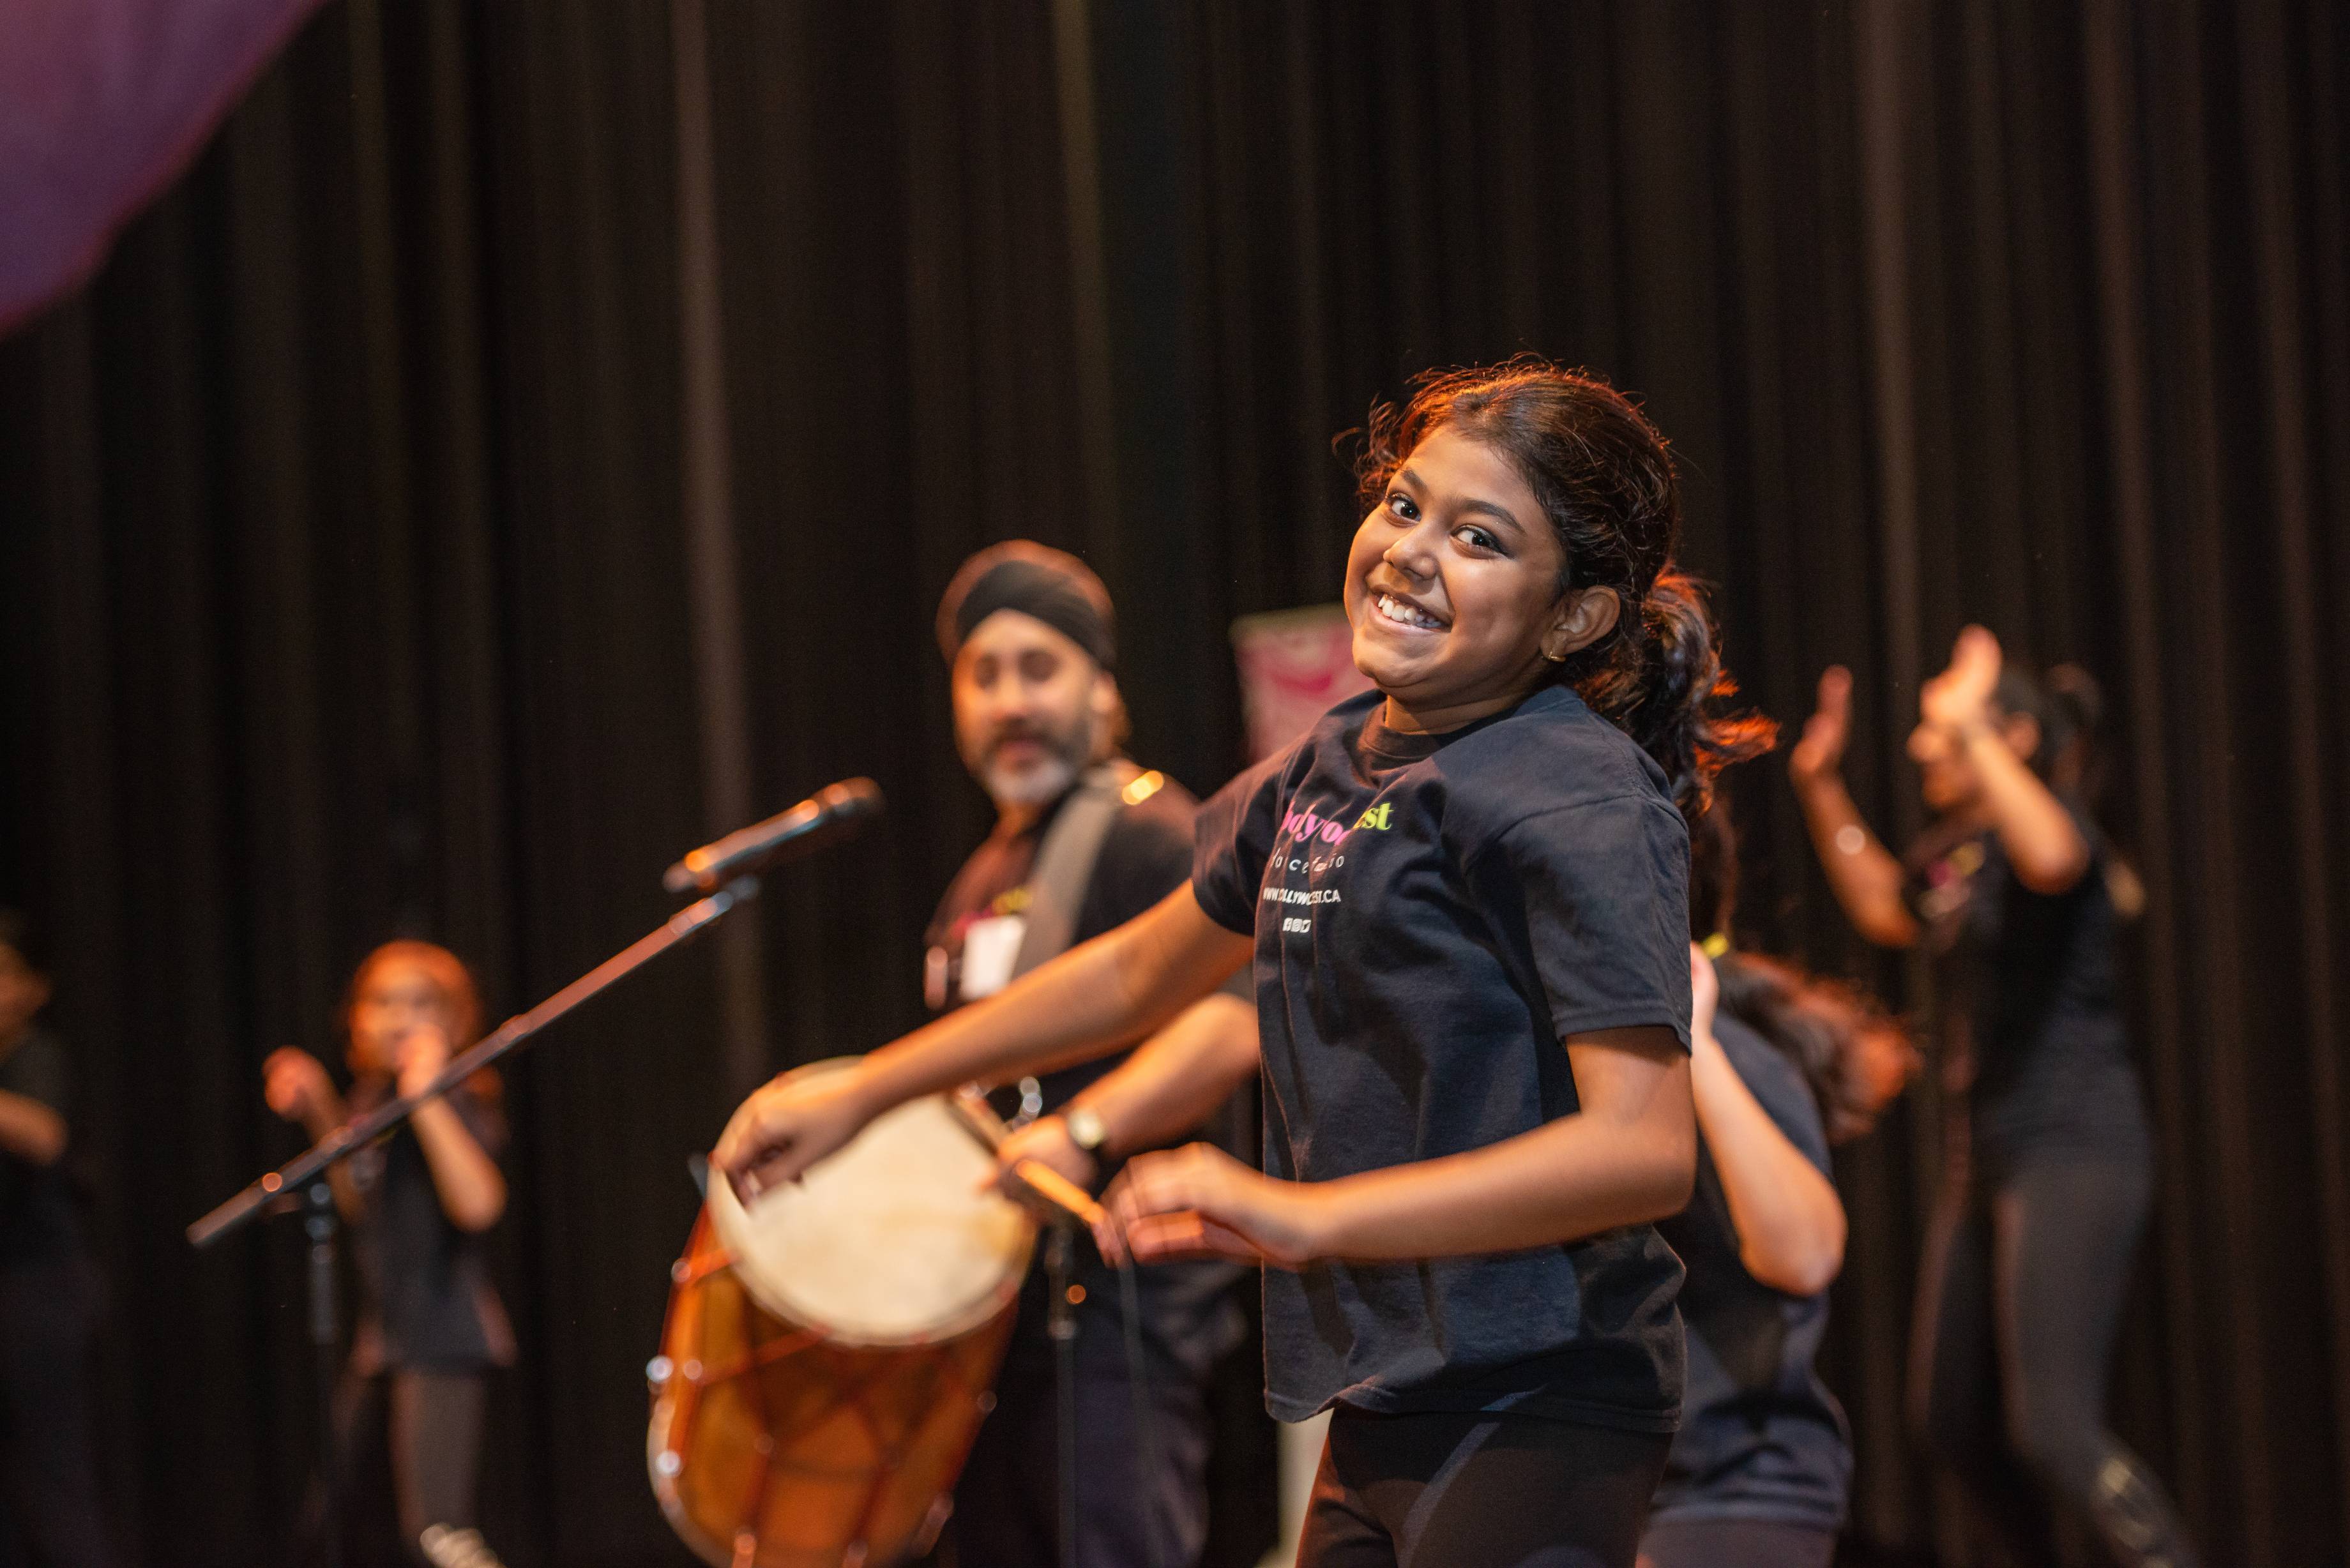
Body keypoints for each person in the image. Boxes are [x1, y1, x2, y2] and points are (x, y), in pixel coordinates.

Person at [718, 360, 1770, 1568]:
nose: (1412, 550)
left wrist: (1297, 1217)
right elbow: (1129, 976)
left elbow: (1638, 1148)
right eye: (1407, 504)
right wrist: (865, 1092)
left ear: (1576, 615)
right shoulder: (1327, 766)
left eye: (1479, 537)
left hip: (1538, 1394)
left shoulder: (1573, 791)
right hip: (1389, 1389)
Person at [1787, 628, 2201, 1566]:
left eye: (1946, 732)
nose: (1923, 747)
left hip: (2077, 1146)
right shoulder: (1964, 854)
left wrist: (1968, 721)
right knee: (1949, 1419)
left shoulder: (2052, 830)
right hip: (1992, 1155)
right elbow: (1890, 908)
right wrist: (1820, 784)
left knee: (2053, 1424)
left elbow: (2053, 857)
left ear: (2009, 736)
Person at [913, 541, 1262, 1568]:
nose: (1011, 701)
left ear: (1104, 693)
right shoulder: (976, 879)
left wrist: (1085, 1128)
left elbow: (1242, 1012)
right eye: (984, 676)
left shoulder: (1153, 832)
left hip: (1117, 1309)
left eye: (1040, 668)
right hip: (995, 1322)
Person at [1637, 812, 1918, 1568]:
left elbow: (1803, 1253)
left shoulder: (1738, 1060)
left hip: (1728, 1491)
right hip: (1635, 1487)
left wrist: (1693, 1039)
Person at [264, 941, 512, 1567]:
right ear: (355, 1018)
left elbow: (479, 1202)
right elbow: (357, 1203)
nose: (400, 1015)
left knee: (438, 1533)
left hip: (443, 1334)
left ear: (455, 1023)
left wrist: (425, 1094)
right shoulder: (372, 1105)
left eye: (420, 1002)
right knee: (331, 1517)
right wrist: (321, 1105)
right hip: (386, 1338)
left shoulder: (450, 1098)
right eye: (383, 1000)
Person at [0, 911, 119, 1568]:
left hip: (38, 1290)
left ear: (33, 987)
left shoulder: (37, 1056)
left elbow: (43, 1134)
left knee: (53, 1477)